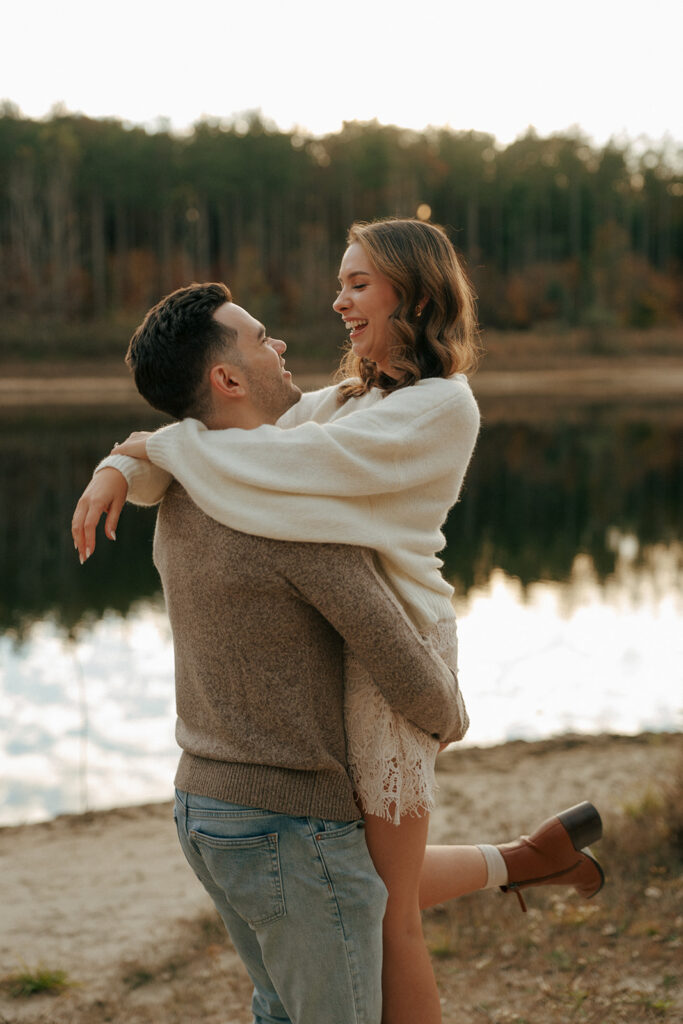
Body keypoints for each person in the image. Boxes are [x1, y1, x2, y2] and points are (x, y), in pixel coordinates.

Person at [73, 233, 604, 1023]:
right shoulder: (347, 402)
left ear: (415, 298)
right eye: (339, 283)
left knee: (387, 913)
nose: (335, 302)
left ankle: (524, 861)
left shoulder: (438, 404)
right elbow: (248, 446)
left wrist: (143, 453)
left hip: (401, 646)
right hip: (355, 649)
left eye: (357, 284)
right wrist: (129, 459)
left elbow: (275, 463)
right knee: (369, 880)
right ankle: (523, 861)